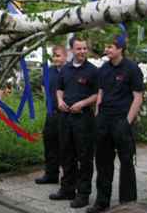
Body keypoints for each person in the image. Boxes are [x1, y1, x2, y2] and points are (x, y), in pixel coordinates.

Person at [87, 35, 144, 213]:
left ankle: (128, 204)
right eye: (106, 46)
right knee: (103, 162)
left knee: (126, 162)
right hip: (104, 120)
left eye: (110, 47)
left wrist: (127, 122)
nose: (107, 50)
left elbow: (138, 97)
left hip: (122, 121)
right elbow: (101, 92)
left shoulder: (132, 69)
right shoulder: (103, 68)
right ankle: (102, 202)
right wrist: (98, 114)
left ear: (120, 49)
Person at [50, 37, 98, 209]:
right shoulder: (65, 70)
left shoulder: (93, 71)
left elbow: (97, 94)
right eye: (79, 49)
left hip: (83, 119)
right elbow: (59, 88)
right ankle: (67, 189)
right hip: (65, 118)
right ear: (71, 50)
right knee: (66, 154)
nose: (82, 52)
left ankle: (83, 194)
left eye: (85, 48)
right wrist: (60, 100)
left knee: (84, 157)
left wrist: (82, 104)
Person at [35, 44, 68, 185]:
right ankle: (51, 174)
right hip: (51, 113)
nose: (56, 58)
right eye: (54, 56)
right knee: (49, 144)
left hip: (66, 114)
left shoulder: (69, 71)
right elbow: (44, 86)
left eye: (59, 55)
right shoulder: (49, 71)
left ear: (66, 57)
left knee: (65, 147)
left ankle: (68, 178)